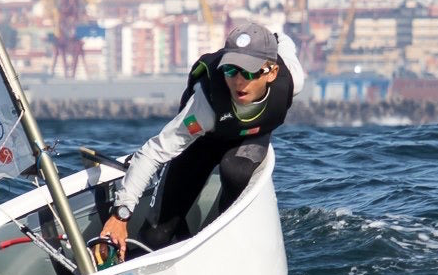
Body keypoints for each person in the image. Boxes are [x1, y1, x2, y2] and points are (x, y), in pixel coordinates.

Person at [98, 20, 304, 261]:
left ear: (272, 72)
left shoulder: (292, 79)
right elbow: (153, 152)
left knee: (236, 171)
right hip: (202, 143)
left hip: (249, 138)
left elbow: (284, 42)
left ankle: (225, 235)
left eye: (249, 73)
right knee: (155, 238)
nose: (238, 81)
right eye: (231, 70)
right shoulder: (205, 104)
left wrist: (272, 34)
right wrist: (121, 214)